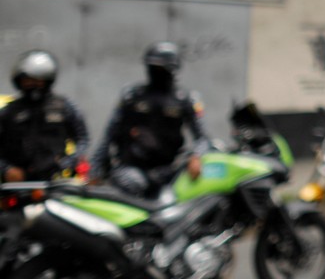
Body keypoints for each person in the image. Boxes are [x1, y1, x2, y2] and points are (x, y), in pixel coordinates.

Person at [91, 41, 209, 198]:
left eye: (161, 68)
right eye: (153, 67)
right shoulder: (132, 96)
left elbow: (202, 139)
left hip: (168, 172)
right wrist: (95, 170)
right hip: (131, 169)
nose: (156, 72)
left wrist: (196, 156)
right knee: (132, 186)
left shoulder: (185, 100)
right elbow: (109, 135)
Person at [0, 50, 90, 182]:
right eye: (28, 81)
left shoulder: (64, 107)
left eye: (38, 81)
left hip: (55, 180)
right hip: (18, 183)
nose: (32, 85)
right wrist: (6, 169)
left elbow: (82, 139)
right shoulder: (9, 112)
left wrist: (68, 162)